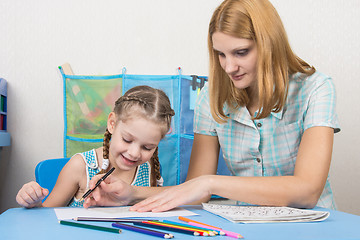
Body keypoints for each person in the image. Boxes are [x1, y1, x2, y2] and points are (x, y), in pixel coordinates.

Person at [84, 0, 340, 212]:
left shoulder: (316, 89)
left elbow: (307, 191)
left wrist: (210, 183)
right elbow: (195, 192)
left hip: (314, 227)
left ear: (269, 44)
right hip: (248, 227)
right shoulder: (211, 98)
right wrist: (131, 194)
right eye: (221, 54)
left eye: (241, 52)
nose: (229, 67)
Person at [16, 85, 175, 208]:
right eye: (127, 140)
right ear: (112, 124)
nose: (134, 153)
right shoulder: (80, 166)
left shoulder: (148, 168)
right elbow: (45, 214)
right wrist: (32, 201)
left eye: (147, 147)